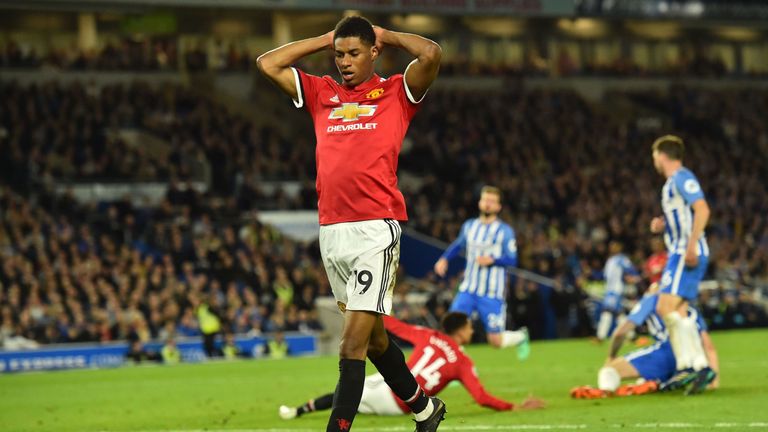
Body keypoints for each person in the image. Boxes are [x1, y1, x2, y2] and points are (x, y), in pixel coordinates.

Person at [257, 15, 443, 432]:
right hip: (332, 231)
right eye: (339, 54)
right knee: (375, 340)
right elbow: (267, 63)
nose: (344, 61)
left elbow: (431, 53)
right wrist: (325, 38)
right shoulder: (323, 92)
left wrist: (389, 34)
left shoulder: (396, 91)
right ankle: (424, 408)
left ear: (374, 52)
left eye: (354, 52)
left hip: (375, 228)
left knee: (351, 343)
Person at [279, 312, 544, 419]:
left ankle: (298, 411)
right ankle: (299, 411)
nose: (473, 331)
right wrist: (515, 406)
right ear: (461, 330)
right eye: (470, 327)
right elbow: (481, 397)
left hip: (394, 390)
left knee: (348, 390)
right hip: (401, 396)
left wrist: (365, 310)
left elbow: (395, 326)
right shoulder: (463, 362)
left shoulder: (429, 335)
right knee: (352, 391)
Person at [649, 135, 714, 393]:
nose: (654, 161)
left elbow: (702, 209)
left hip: (684, 251)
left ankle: (690, 366)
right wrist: (663, 223)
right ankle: (697, 365)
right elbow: (683, 213)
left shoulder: (681, 177)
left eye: (654, 157)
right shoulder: (671, 184)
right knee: (680, 310)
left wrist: (690, 245)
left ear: (662, 156)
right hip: (680, 248)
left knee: (665, 307)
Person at [571, 285, 719, 399]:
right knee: (647, 377)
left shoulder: (653, 299)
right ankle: (658, 383)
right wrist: (715, 382)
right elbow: (709, 347)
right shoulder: (691, 309)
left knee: (609, 370)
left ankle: (605, 392)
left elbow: (620, 332)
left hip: (666, 352)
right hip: (693, 357)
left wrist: (611, 356)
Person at [433, 186, 529, 356]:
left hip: (491, 293)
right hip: (468, 289)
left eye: (492, 202)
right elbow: (459, 244)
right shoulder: (470, 226)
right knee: (453, 329)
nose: (488, 204)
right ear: (479, 202)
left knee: (495, 341)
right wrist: (444, 258)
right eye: (485, 200)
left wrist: (493, 260)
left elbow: (513, 259)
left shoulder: (504, 231)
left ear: (498, 207)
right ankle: (456, 369)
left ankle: (521, 336)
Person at [595, 241, 641, 342]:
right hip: (609, 290)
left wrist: (634, 277)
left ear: (620, 247)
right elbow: (605, 276)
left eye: (615, 246)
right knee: (619, 314)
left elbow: (631, 270)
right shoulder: (610, 260)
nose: (612, 248)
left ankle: (600, 336)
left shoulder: (622, 259)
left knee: (607, 311)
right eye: (611, 246)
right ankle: (632, 335)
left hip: (616, 290)